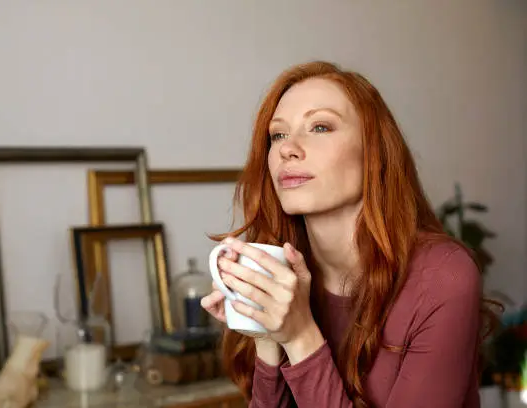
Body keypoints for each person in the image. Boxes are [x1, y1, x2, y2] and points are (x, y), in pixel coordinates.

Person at [201, 61, 498, 408]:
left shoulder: (444, 277)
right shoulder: (285, 275)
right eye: (278, 134)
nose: (287, 148)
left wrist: (299, 336)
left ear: (375, 151)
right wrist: (267, 338)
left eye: (321, 127)